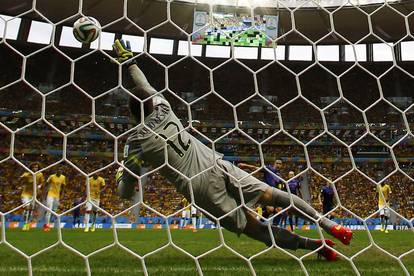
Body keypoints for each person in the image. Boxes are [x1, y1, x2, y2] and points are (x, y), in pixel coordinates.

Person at [113, 39, 352, 261]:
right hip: (215, 162)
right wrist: (130, 62)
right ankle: (330, 225)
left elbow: (125, 192)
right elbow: (145, 85)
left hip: (199, 187)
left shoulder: (135, 142)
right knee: (272, 194)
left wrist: (123, 174)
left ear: (131, 114)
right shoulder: (163, 106)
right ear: (152, 103)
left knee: (255, 228)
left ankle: (318, 247)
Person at [20, 162, 45, 231]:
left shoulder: (40, 174)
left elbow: (42, 182)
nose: (35, 168)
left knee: (31, 210)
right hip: (25, 194)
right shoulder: (26, 174)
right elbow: (20, 180)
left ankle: (27, 223)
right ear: (31, 168)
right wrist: (22, 180)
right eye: (33, 167)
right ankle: (25, 223)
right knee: (28, 207)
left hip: (34, 195)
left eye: (36, 167)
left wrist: (39, 187)